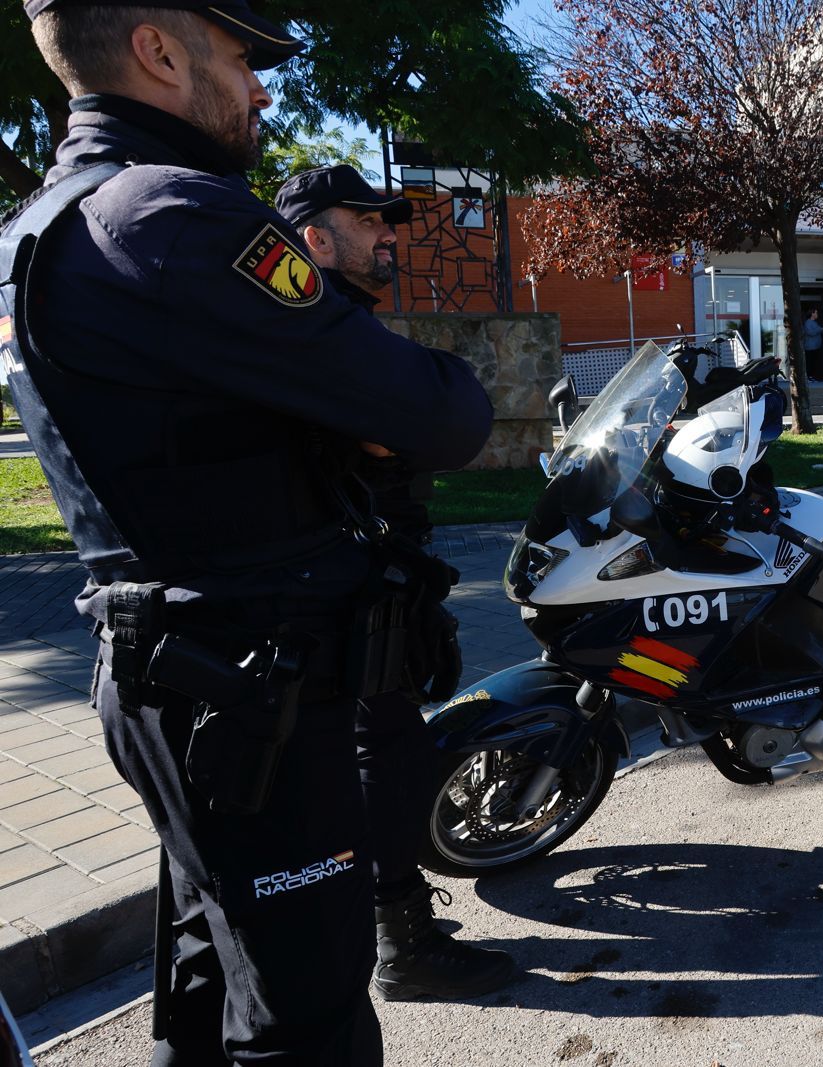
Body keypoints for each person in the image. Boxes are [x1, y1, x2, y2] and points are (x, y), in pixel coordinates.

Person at [6, 4, 493, 1063]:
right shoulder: (174, 215)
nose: (264, 90)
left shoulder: (41, 224)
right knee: (306, 1017)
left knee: (210, 968)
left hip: (175, 678)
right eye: (241, 58)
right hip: (252, 687)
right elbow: (442, 414)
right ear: (160, 51)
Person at [275, 165, 518, 1002]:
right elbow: (425, 424)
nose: (390, 232)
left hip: (356, 583)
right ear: (315, 237)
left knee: (375, 755)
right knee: (387, 760)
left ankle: (390, 925)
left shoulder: (319, 323)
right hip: (342, 591)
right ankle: (401, 944)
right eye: (369, 219)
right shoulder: (316, 328)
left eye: (391, 219)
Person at [801, 307, 823, 380]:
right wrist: (820, 329)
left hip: (815, 346)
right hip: (810, 347)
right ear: (812, 314)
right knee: (810, 362)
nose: (817, 314)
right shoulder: (808, 322)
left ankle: (812, 376)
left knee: (814, 362)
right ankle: (809, 376)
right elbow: (810, 332)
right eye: (816, 313)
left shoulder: (815, 322)